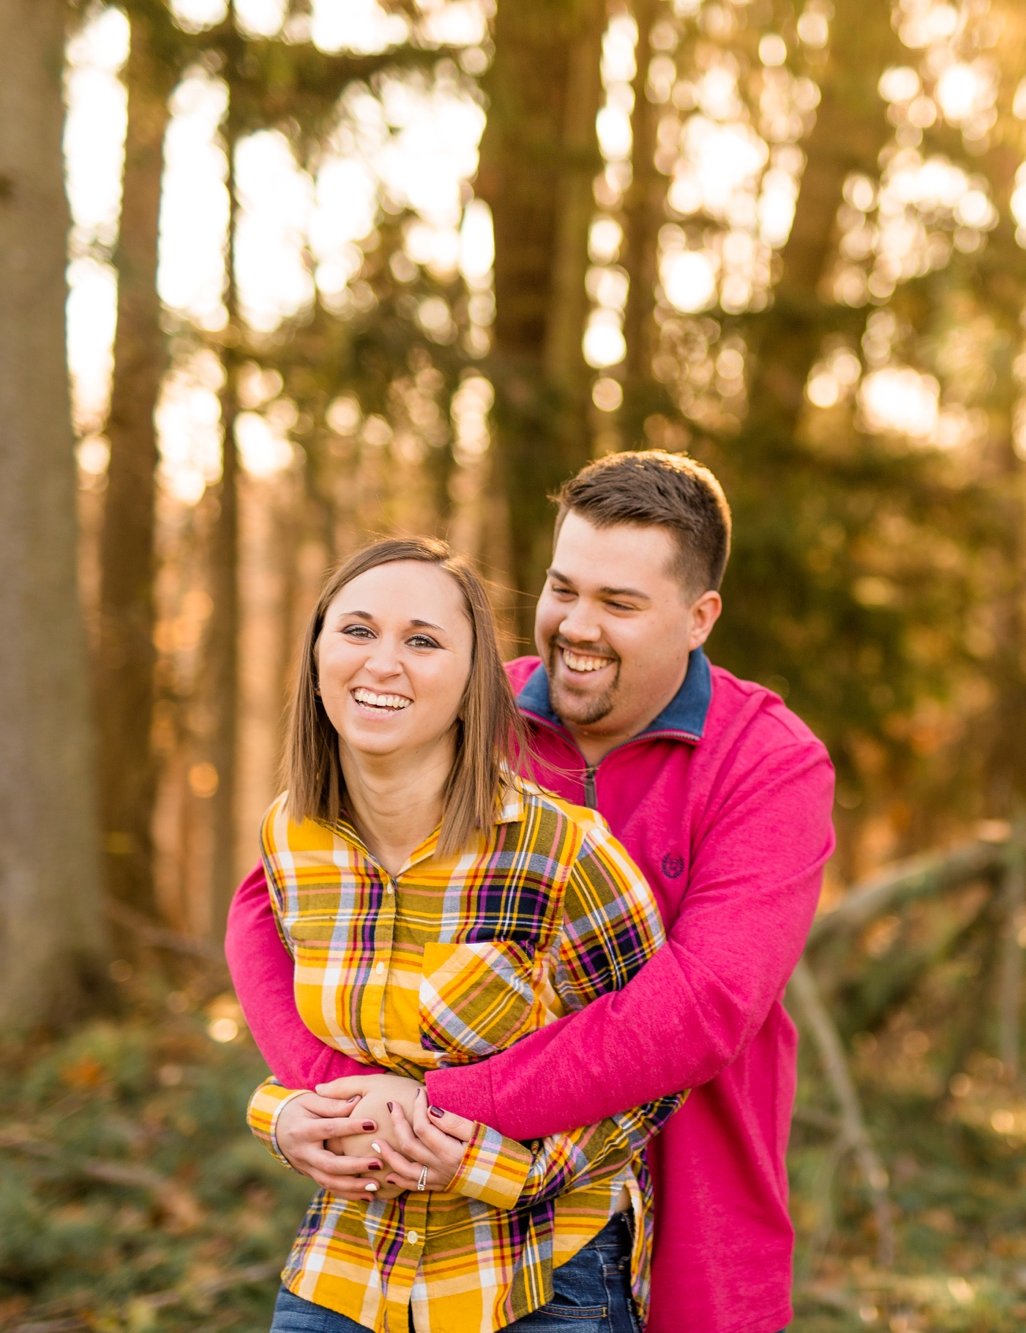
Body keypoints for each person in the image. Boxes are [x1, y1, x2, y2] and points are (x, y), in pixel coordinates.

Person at [228, 452, 837, 1333]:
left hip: (691, 1207)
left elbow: (707, 1002)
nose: (576, 627)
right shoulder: (470, 704)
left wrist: (439, 1103)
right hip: (455, 1226)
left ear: (700, 617)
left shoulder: (766, 760)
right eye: (563, 589)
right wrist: (344, 1093)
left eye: (620, 604)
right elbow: (271, 899)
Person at [239, 534, 681, 1333]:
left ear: (475, 681)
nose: (382, 662)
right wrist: (288, 1118)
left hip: (539, 1274)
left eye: (422, 640)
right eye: (358, 630)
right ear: (316, 656)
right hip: (350, 1263)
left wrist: (495, 1165)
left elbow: (653, 1069)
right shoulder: (292, 839)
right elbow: (336, 1062)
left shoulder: (561, 852)